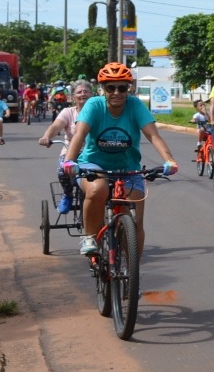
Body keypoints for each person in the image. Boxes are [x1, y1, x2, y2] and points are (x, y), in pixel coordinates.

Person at [61, 63, 178, 257]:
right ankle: (90, 236)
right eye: (110, 88)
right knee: (98, 189)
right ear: (102, 89)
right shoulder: (94, 105)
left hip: (128, 168)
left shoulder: (135, 105)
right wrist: (70, 161)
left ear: (129, 89)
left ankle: (133, 275)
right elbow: (80, 134)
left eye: (122, 88)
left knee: (136, 219)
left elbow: (153, 136)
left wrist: (169, 160)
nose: (116, 92)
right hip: (94, 164)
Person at [39, 80, 94, 213]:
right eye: (79, 92)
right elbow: (55, 126)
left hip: (93, 152)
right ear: (73, 97)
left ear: (92, 95)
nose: (83, 94)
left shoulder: (99, 112)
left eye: (86, 91)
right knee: (63, 170)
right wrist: (47, 137)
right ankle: (68, 194)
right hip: (70, 152)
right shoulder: (68, 112)